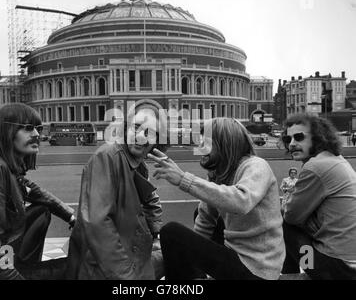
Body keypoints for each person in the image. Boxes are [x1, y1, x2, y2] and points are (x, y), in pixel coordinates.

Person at [148, 117, 285, 280]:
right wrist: (186, 254)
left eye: (205, 142)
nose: (199, 148)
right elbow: (205, 222)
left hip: (257, 269)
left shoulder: (256, 165)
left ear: (224, 144)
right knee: (198, 216)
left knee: (171, 232)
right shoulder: (218, 174)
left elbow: (241, 202)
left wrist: (183, 179)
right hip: (236, 256)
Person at [0, 103, 75, 280]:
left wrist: (70, 215)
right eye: (28, 128)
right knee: (73, 269)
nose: (37, 134)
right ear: (6, 132)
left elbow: (34, 190)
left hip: (2, 257)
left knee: (41, 211)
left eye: (38, 128)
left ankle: (24, 266)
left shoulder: (5, 166)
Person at [66, 101, 167, 280]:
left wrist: (156, 233)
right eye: (136, 127)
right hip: (103, 270)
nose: (141, 137)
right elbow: (98, 223)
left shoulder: (139, 165)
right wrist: (126, 277)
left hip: (129, 259)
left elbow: (150, 201)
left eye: (150, 133)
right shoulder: (106, 157)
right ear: (126, 128)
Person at [281, 113, 356, 279]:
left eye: (299, 137)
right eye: (288, 139)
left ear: (318, 138)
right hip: (349, 261)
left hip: (337, 267)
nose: (292, 144)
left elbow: (291, 216)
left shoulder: (315, 167)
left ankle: (294, 273)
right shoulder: (335, 159)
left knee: (281, 219)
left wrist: (287, 204)